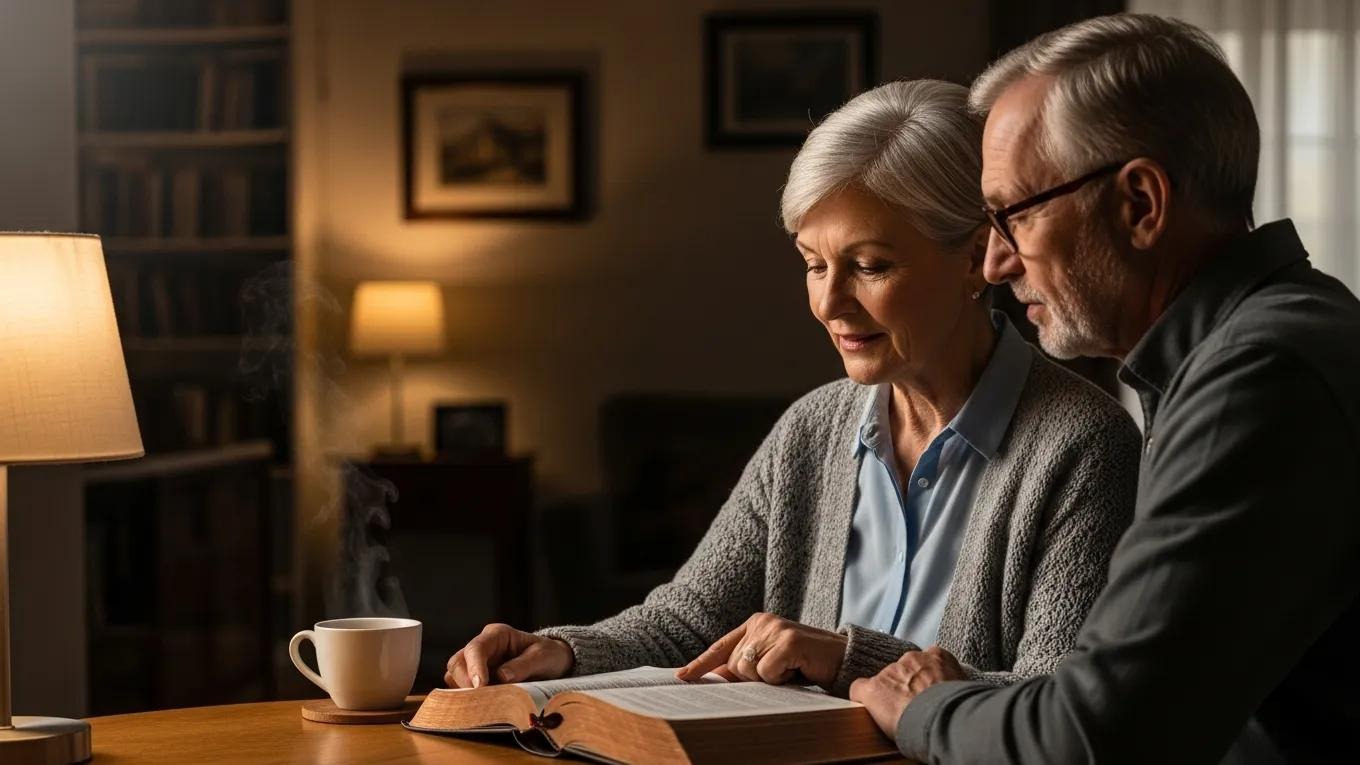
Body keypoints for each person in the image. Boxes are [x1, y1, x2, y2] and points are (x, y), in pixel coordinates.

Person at [444, 79, 1139, 700]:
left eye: (869, 264)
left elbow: (1059, 704)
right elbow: (687, 619)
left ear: (974, 258)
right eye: (813, 264)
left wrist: (845, 659)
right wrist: (559, 648)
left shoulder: (1083, 443)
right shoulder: (812, 428)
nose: (830, 303)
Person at [849, 14, 1360, 764]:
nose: (994, 262)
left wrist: (925, 706)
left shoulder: (1257, 376)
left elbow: (1094, 738)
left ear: (1140, 205)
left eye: (1013, 215)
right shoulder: (1265, 342)